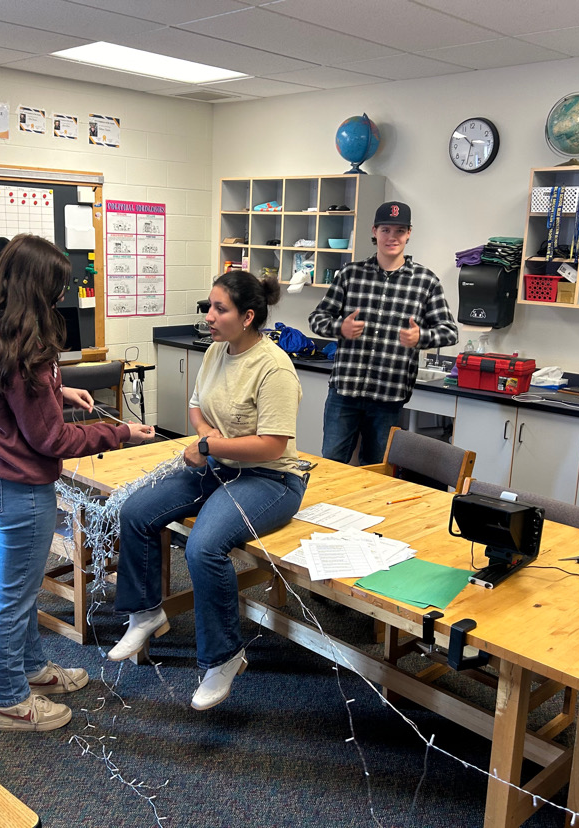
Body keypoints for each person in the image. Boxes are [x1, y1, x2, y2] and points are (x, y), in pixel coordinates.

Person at [0, 234, 153, 732]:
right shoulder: (27, 349)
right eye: (56, 287)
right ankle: (10, 702)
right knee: (14, 597)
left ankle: (34, 672)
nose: (60, 296)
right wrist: (120, 431)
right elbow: (49, 437)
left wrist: (59, 387)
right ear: (36, 287)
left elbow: (15, 402)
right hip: (18, 487)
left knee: (15, 590)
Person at [109, 270, 307, 711]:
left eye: (220, 308)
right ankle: (146, 613)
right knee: (136, 512)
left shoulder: (274, 367)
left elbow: (273, 445)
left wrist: (208, 444)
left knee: (203, 547)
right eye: (210, 305)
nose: (210, 315)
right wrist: (206, 437)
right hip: (220, 465)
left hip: (271, 479)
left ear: (248, 316)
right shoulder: (217, 351)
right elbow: (196, 407)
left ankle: (224, 657)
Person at [308, 201, 458, 465]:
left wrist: (420, 338)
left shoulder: (426, 281)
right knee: (331, 463)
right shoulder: (350, 275)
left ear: (409, 233)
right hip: (345, 391)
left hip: (389, 395)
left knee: (377, 469)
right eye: (386, 229)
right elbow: (317, 319)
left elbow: (449, 332)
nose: (392, 237)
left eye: (400, 231)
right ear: (375, 230)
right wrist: (339, 328)